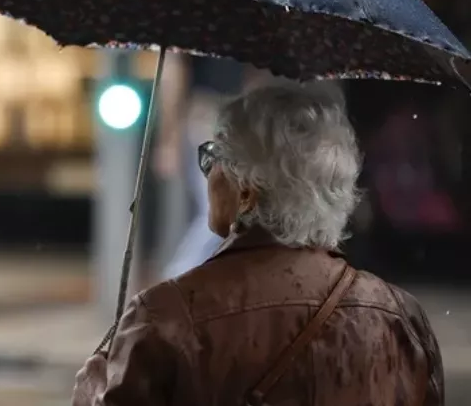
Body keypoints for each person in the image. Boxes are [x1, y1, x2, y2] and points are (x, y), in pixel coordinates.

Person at [71, 82, 443, 406]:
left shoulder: (166, 317)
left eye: (212, 158)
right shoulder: (400, 319)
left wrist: (93, 391)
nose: (206, 173)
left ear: (247, 191)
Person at [156, 54, 248, 280]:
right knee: (222, 211)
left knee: (226, 211)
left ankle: (182, 278)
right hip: (207, 114)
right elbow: (174, 72)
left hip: (224, 114)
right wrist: (169, 138)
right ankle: (178, 277)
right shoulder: (195, 25)